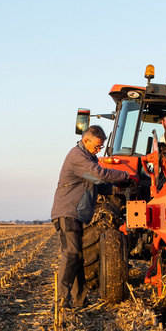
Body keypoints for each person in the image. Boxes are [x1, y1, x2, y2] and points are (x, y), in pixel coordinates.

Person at [51, 125, 135, 308]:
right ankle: (61, 301)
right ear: (85, 140)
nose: (99, 149)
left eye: (101, 147)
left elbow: (98, 185)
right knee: (71, 254)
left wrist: (119, 188)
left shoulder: (89, 158)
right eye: (97, 146)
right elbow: (99, 174)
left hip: (77, 213)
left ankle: (80, 300)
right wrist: (125, 175)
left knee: (79, 257)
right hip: (67, 212)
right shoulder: (77, 156)